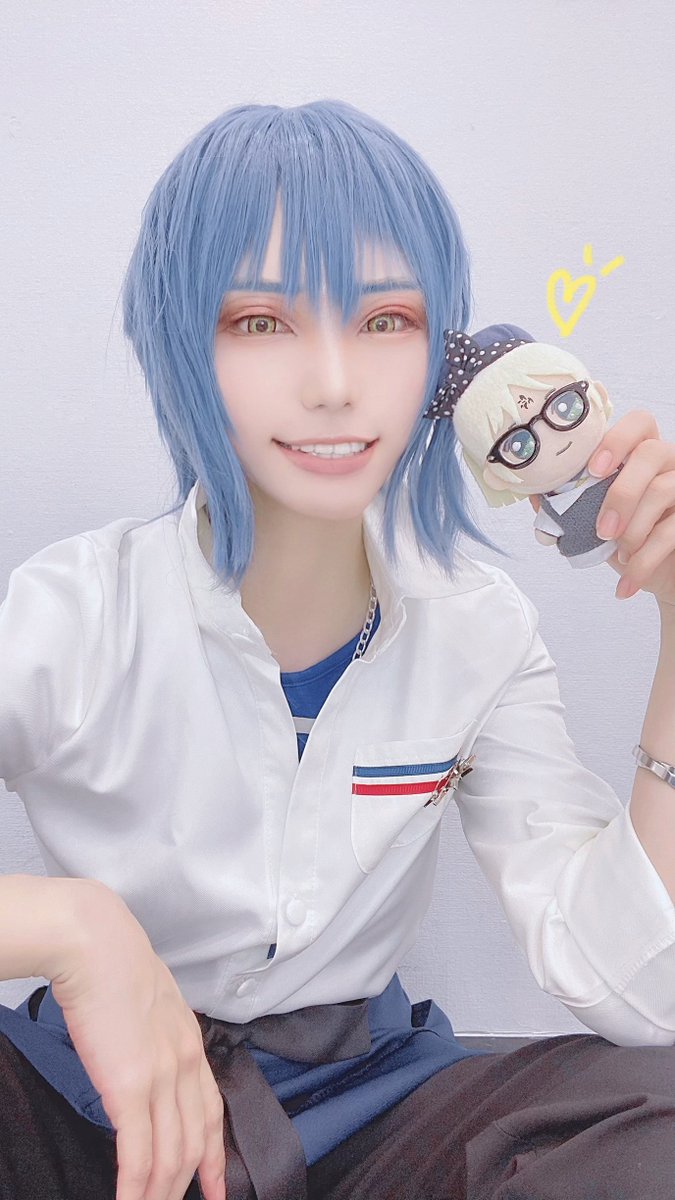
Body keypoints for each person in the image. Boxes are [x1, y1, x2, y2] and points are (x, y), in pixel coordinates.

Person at [1, 98, 674, 1200]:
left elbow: (638, 992)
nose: (331, 382)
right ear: (181, 344)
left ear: (448, 364)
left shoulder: (476, 627)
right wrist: (73, 927)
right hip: (84, 1093)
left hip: (364, 1111)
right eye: (262, 322)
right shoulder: (76, 611)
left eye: (385, 319)